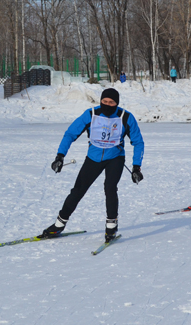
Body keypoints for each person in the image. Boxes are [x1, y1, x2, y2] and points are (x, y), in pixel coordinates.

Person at [41, 88, 144, 243]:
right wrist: (60, 156)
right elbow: (70, 134)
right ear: (100, 100)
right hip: (93, 158)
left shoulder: (125, 117)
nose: (107, 104)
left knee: (110, 187)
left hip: (115, 158)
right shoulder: (91, 115)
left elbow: (138, 142)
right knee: (78, 190)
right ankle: (59, 224)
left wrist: (136, 167)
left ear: (117, 103)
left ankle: (111, 226)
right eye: (104, 101)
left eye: (111, 102)